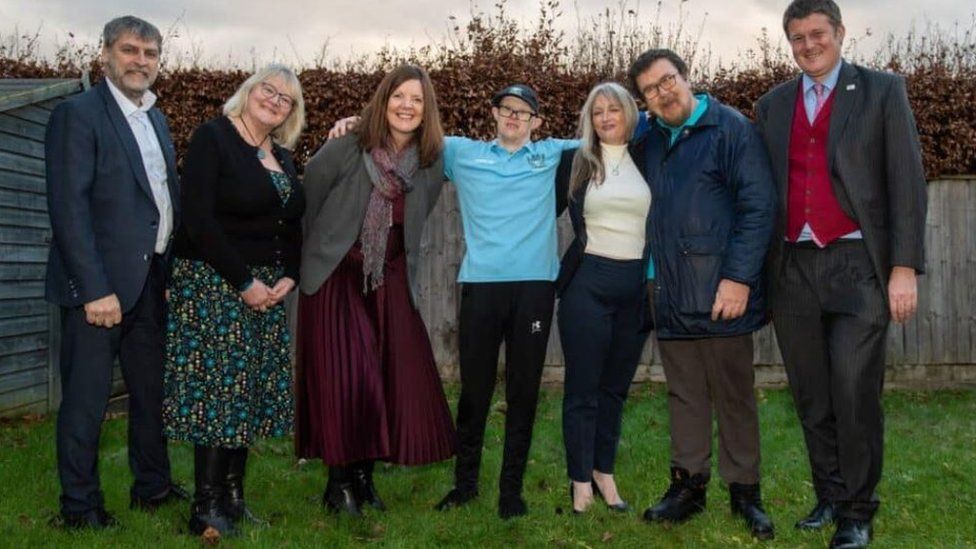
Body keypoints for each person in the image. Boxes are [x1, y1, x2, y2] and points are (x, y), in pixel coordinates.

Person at [329, 84, 578, 519]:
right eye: (506, 109)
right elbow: (403, 128)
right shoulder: (462, 153)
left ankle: (511, 492)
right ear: (494, 114)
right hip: (481, 288)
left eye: (524, 113)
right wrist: (353, 123)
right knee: (474, 393)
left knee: (523, 393)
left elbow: (612, 127)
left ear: (537, 122)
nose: (514, 118)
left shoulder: (554, 153)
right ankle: (465, 486)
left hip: (535, 290)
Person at [754, 2, 927, 547]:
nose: (808, 45)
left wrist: (903, 267)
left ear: (839, 33)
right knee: (812, 393)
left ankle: (858, 509)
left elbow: (907, 182)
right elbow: (762, 193)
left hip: (859, 267)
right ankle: (828, 495)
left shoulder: (882, 91)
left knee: (854, 388)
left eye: (817, 34)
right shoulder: (772, 105)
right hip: (793, 269)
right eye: (797, 37)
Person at [627, 49, 778, 539]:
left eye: (667, 80)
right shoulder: (646, 139)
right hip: (668, 291)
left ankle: (745, 493)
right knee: (684, 395)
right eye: (650, 89)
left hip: (720, 292)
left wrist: (738, 278)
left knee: (733, 395)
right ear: (644, 100)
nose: (662, 92)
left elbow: (758, 207)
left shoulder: (730, 129)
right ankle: (687, 488)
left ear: (686, 76)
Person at [44, 15, 187, 530]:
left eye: (150, 54)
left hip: (148, 285)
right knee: (86, 402)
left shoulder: (157, 119)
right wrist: (94, 288)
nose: (140, 62)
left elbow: (162, 203)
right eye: (130, 51)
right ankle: (79, 509)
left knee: (150, 396)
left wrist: (167, 276)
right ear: (105, 53)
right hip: (98, 290)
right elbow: (69, 209)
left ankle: (153, 486)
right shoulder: (77, 115)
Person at [296, 64, 456, 517]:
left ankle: (365, 476)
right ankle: (339, 482)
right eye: (399, 96)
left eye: (417, 100)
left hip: (389, 277)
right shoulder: (348, 145)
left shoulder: (430, 160)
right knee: (347, 379)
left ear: (427, 111)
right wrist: (316, 260)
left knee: (384, 377)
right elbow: (309, 200)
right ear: (383, 100)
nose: (407, 106)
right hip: (336, 278)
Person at [162, 64, 306, 536]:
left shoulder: (280, 155)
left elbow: (290, 224)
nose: (275, 100)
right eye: (269, 89)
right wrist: (245, 283)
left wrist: (289, 276)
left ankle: (233, 498)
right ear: (249, 91)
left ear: (291, 112)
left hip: (264, 289)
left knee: (246, 396)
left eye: (286, 99)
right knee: (219, 397)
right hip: (214, 285)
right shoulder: (214, 137)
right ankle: (205, 507)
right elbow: (199, 220)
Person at [553, 82, 651, 514]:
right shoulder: (574, 162)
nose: (607, 117)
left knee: (614, 390)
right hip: (587, 285)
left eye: (615, 109)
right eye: (598, 112)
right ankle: (579, 479)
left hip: (636, 290)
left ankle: (603, 472)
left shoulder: (651, 156)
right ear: (589, 120)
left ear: (631, 113)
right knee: (582, 390)